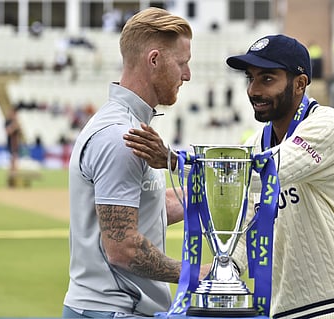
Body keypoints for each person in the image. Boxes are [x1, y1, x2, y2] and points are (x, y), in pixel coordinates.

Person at [123, 35, 334, 318]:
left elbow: (267, 174)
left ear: (300, 84)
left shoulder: (328, 126)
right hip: (287, 308)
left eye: (267, 79)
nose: (254, 90)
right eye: (250, 78)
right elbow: (248, 220)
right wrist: (223, 272)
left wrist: (175, 161)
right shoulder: (256, 143)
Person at [62, 7, 208, 318]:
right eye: (182, 63)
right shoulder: (121, 136)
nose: (187, 75)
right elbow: (123, 248)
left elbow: (149, 208)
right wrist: (199, 274)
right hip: (114, 309)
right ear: (154, 60)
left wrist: (224, 202)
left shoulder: (130, 128)